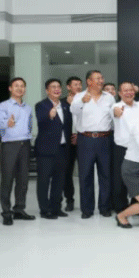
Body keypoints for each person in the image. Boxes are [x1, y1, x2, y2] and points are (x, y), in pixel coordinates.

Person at [70, 70, 115, 218]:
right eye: (97, 78)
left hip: (105, 139)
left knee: (106, 175)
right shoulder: (79, 96)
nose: (101, 80)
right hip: (86, 140)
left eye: (102, 78)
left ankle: (105, 207)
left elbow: (114, 118)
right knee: (85, 175)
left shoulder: (109, 97)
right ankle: (87, 209)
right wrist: (82, 102)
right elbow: (73, 111)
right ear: (89, 81)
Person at [0, 77, 35, 225]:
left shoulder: (28, 108)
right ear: (10, 88)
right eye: (16, 86)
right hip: (10, 145)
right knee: (7, 179)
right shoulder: (3, 106)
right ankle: (6, 212)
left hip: (25, 144)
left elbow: (30, 125)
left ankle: (19, 209)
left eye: (22, 86)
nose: (20, 88)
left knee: (23, 179)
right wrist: (8, 123)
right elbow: (0, 123)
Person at [34, 78, 73, 219]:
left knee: (59, 180)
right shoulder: (41, 105)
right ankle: (45, 210)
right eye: (53, 87)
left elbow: (68, 125)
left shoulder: (65, 105)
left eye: (58, 87)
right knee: (44, 181)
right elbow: (41, 121)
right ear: (47, 90)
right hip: (46, 150)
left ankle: (56, 207)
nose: (57, 89)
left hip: (62, 149)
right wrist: (49, 116)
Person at [111, 82, 139, 212]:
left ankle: (137, 205)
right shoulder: (116, 106)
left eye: (131, 90)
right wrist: (116, 112)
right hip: (122, 148)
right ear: (119, 93)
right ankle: (120, 207)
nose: (129, 93)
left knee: (138, 178)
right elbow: (114, 113)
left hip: (138, 148)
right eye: (125, 90)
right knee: (119, 179)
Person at [61, 76, 82, 211]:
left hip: (83, 141)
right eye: (75, 84)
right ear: (68, 87)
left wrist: (79, 135)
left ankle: (86, 201)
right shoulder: (62, 103)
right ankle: (69, 199)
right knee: (67, 173)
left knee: (85, 173)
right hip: (67, 143)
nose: (78, 87)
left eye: (80, 84)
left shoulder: (86, 101)